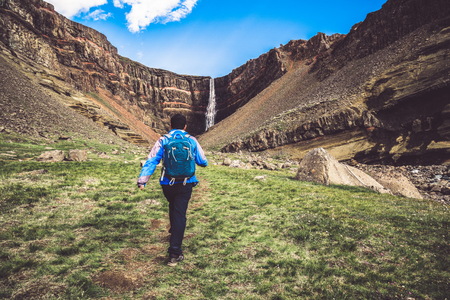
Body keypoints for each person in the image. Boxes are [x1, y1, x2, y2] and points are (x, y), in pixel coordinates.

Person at [137, 114, 208, 266]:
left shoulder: (164, 140)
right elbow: (203, 161)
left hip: (167, 183)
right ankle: (175, 253)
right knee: (180, 214)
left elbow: (152, 160)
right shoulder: (191, 140)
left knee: (173, 206)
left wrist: (142, 180)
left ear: (170, 125)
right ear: (185, 126)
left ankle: (174, 232)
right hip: (186, 183)